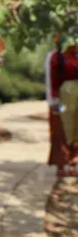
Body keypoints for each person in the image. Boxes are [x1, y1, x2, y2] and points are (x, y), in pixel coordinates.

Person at [45, 37, 78, 177]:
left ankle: (74, 163)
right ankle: (61, 164)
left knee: (76, 129)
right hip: (63, 98)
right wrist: (53, 101)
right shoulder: (56, 56)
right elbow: (51, 79)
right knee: (61, 128)